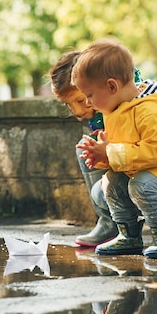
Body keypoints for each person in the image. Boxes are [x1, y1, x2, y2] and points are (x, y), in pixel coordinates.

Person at [72, 39, 157, 259]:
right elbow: (124, 155)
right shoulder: (116, 111)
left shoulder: (150, 110)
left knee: (141, 184)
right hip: (149, 175)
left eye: (90, 95)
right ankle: (129, 236)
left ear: (112, 86)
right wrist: (101, 154)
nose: (87, 102)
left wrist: (111, 152)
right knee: (112, 181)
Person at [48, 51, 142, 247]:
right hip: (124, 166)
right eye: (69, 105)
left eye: (81, 100)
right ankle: (108, 220)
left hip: (146, 165)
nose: (78, 111)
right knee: (86, 149)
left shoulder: (130, 97)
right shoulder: (99, 106)